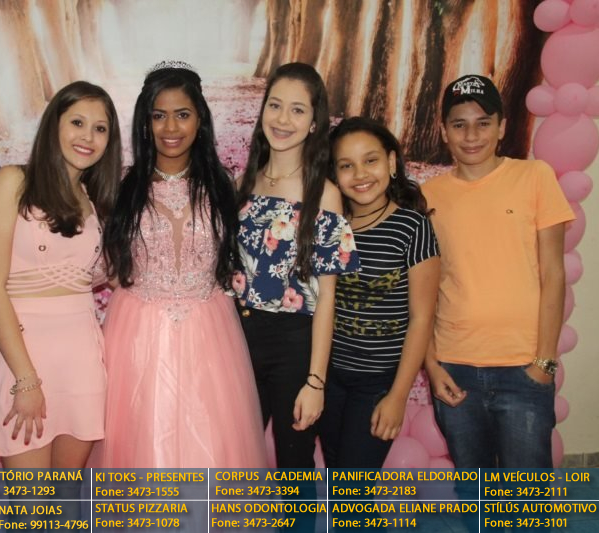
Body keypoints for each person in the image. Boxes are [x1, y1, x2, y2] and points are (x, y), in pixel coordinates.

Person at [102, 61, 267, 467]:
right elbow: (108, 262)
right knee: (140, 439)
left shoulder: (223, 186)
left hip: (210, 332)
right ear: (145, 123)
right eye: (159, 116)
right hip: (137, 332)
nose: (170, 127)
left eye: (182, 114)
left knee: (213, 442)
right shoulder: (124, 188)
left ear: (200, 120)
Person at [423, 74, 575, 468]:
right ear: (444, 130)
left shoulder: (534, 177)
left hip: (523, 368)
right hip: (455, 370)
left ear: (502, 127)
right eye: (459, 124)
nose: (471, 135)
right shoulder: (427, 197)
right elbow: (420, 292)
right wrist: (432, 365)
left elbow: (554, 274)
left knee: (527, 498)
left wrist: (544, 363)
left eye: (483, 123)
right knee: (476, 493)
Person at [0, 81, 121, 469]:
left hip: (82, 360)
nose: (87, 137)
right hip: (25, 359)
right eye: (77, 122)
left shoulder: (97, 201)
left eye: (100, 128)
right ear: (53, 124)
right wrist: (25, 379)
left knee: (64, 495)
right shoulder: (13, 182)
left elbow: (111, 276)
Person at [234, 62, 360, 468]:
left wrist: (315, 382)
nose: (283, 119)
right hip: (238, 339)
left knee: (295, 464)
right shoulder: (242, 183)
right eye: (275, 105)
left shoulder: (324, 194)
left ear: (314, 123)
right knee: (236, 457)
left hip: (294, 346)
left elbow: (326, 299)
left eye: (297, 110)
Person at [318, 117, 439, 468]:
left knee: (354, 487)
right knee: (339, 478)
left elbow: (421, 319)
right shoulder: (332, 226)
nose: (360, 174)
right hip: (329, 377)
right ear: (334, 174)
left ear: (391, 161)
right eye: (346, 165)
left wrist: (398, 396)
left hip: (377, 385)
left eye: (370, 160)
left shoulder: (413, 227)